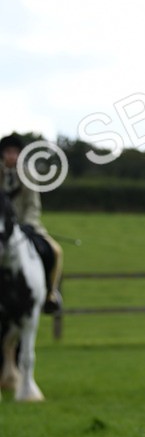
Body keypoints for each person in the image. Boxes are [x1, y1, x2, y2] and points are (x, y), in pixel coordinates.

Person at [0, 133, 63, 314]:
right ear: (3, 154)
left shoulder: (28, 173)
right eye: (8, 151)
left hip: (26, 226)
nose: (12, 155)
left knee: (57, 252)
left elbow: (33, 205)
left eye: (15, 152)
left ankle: (50, 294)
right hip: (2, 228)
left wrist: (26, 224)